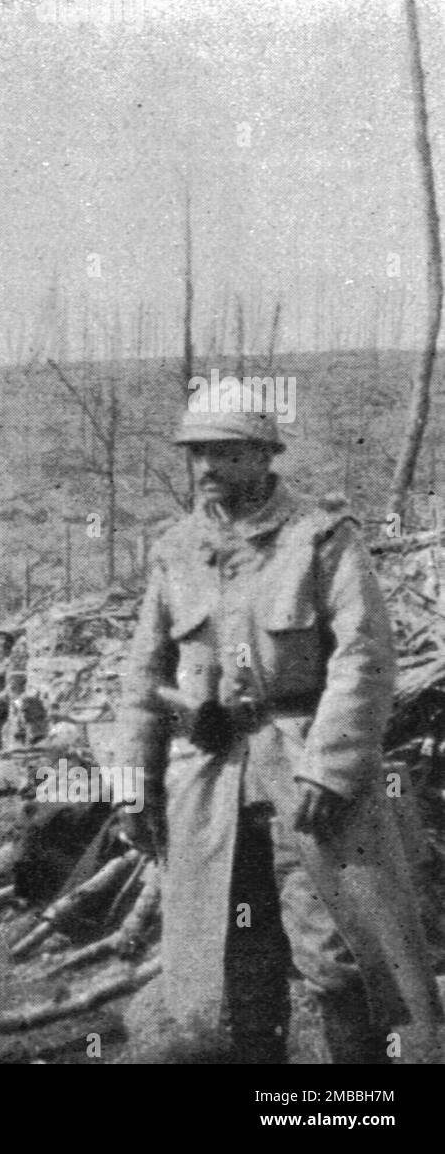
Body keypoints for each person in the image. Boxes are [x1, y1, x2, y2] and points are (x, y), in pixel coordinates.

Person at [114, 405, 443, 1064]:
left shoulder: (320, 539)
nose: (208, 466)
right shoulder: (177, 550)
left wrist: (331, 765)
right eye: (198, 452)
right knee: (236, 956)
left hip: (305, 772)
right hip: (211, 784)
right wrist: (132, 784)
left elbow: (364, 655)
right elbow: (144, 673)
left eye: (227, 452)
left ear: (266, 456)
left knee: (338, 952)